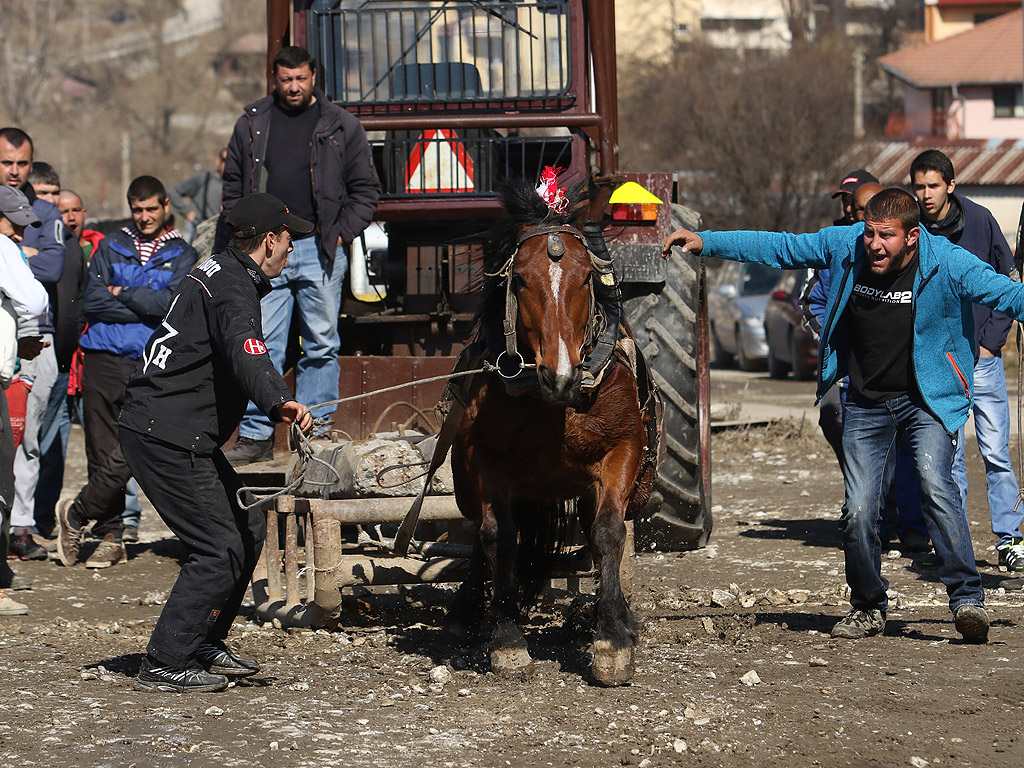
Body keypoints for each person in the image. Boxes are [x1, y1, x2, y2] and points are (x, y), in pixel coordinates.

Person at [662, 187, 1024, 644]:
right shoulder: (845, 245)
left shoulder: (947, 262)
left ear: (912, 237)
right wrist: (707, 241)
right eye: (870, 233)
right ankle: (869, 605)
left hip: (926, 401)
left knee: (935, 483)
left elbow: (1004, 293)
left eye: (885, 236)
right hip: (867, 401)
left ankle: (967, 598)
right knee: (858, 510)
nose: (873, 244)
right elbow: (782, 247)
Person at [120, 192, 314, 692]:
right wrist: (281, 403)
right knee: (218, 546)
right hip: (166, 433)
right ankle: (165, 659)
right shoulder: (233, 287)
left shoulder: (217, 268)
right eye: (290, 240)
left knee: (247, 526)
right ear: (269, 241)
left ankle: (201, 640)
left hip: (172, 428)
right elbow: (246, 351)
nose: (292, 250)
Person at [216, 45, 380, 465]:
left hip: (319, 249)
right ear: (275, 78)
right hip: (264, 249)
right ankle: (254, 433)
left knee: (322, 344)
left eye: (301, 79)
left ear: (313, 77)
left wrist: (341, 234)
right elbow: (233, 185)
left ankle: (317, 437)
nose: (293, 87)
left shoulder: (341, 125)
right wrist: (244, 234)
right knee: (260, 342)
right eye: (285, 79)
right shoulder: (253, 122)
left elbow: (366, 190)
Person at [55, 176, 196, 569]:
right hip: (102, 356)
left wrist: (122, 293)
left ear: (165, 205)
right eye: (138, 209)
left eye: (152, 208)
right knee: (100, 449)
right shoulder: (110, 245)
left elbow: (173, 304)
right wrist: (140, 303)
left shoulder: (184, 253)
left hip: (152, 361)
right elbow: (92, 299)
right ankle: (111, 537)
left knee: (138, 444)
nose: (145, 216)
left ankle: (78, 511)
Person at [910, 149, 1024, 572]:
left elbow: (1009, 281)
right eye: (918, 186)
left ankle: (1011, 539)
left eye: (933, 185)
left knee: (996, 451)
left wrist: (993, 341)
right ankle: (953, 546)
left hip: (982, 361)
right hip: (940, 367)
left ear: (950, 185)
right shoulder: (910, 230)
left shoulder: (980, 220)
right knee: (949, 458)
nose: (925, 194)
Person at [0, 132, 66, 561]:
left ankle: (21, 526)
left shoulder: (44, 210)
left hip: (34, 339)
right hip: (13, 340)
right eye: (6, 162)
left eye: (22, 164)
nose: (14, 171)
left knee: (26, 436)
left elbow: (54, 266)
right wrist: (21, 255)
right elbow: (34, 282)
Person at [0, 185, 50, 608]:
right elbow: (35, 297)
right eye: (13, 224)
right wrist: (28, 325)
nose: (19, 234)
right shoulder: (0, 246)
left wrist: (17, 342)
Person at [168, 148, 226, 243]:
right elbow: (173, 191)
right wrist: (187, 212)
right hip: (202, 233)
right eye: (225, 160)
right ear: (218, 161)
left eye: (232, 161)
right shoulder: (204, 179)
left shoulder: (236, 184)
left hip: (225, 234)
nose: (228, 164)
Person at [57, 190, 105, 257]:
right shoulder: (50, 254)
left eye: (76, 210)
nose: (71, 217)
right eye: (64, 212)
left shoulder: (103, 248)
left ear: (84, 214)